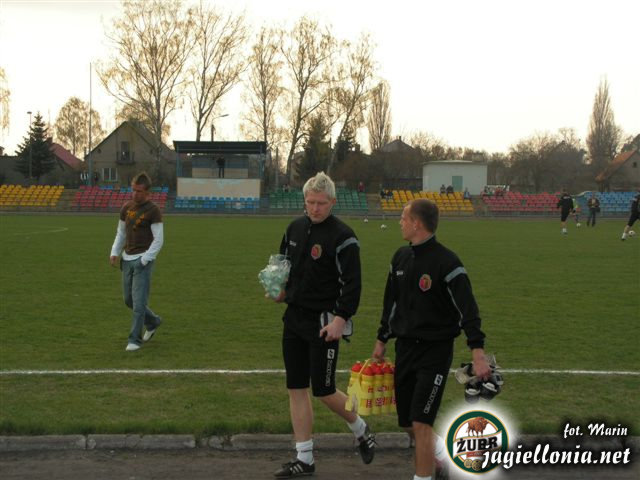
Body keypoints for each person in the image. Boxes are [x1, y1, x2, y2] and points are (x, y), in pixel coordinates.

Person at [371, 198, 491, 480]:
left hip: (435, 352)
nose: (400, 222)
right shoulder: (399, 258)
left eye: (403, 218)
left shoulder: (447, 262)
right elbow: (391, 303)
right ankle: (443, 455)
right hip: (405, 350)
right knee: (407, 422)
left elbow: (468, 309)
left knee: (421, 421)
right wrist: (382, 338)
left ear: (416, 223)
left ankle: (423, 476)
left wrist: (477, 352)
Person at [271, 171, 375, 477]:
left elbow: (353, 285)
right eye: (311, 202)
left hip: (324, 324)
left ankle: (361, 430)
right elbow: (283, 265)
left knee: (325, 390)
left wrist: (340, 320)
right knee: (296, 387)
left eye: (321, 203)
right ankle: (304, 458)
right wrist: (279, 289)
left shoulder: (344, 237)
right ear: (304, 200)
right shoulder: (294, 227)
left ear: (333, 202)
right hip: (294, 319)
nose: (315, 208)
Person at [109, 172, 164, 352]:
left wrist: (145, 259)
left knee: (139, 303)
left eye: (139, 191)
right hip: (126, 259)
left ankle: (134, 340)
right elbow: (121, 233)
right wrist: (115, 252)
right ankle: (153, 321)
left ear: (147, 192)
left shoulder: (153, 211)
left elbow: (159, 239)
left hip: (142, 261)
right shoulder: (126, 207)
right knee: (128, 300)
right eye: (133, 190)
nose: (135, 194)